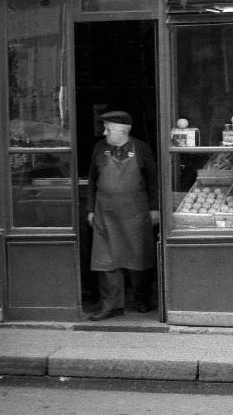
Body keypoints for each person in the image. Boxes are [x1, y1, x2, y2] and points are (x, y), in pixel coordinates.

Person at [86, 110, 159, 320]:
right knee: (106, 259)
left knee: (139, 255)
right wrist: (90, 208)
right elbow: (92, 180)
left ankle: (141, 299)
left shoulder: (142, 149)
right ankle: (111, 305)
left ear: (122, 131)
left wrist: (154, 208)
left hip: (135, 211)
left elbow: (153, 181)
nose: (104, 132)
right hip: (105, 211)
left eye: (108, 129)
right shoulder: (100, 148)